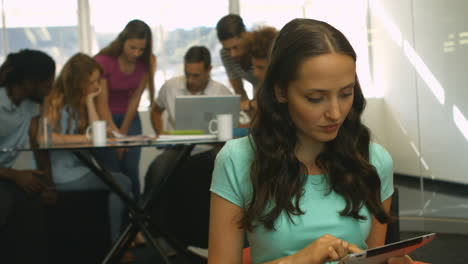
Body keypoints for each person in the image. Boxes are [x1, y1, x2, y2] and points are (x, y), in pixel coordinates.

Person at [208, 19, 413, 264]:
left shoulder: (373, 160)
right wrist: (300, 259)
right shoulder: (237, 159)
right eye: (316, 98)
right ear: (281, 91)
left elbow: (371, 256)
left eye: (346, 94)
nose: (335, 113)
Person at [41, 53, 132, 242]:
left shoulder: (78, 102)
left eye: (98, 81)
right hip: (64, 174)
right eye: (92, 82)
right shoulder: (54, 101)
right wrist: (83, 138)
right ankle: (113, 242)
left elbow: (95, 136)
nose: (97, 86)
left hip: (80, 170)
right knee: (122, 184)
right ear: (78, 81)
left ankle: (111, 239)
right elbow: (46, 139)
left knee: (123, 182)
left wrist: (91, 100)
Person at [0, 49, 55, 263]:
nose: (50, 88)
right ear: (29, 81)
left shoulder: (31, 104)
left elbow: (38, 145)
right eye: (47, 82)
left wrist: (49, 185)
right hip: (6, 175)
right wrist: (15, 176)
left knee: (35, 200)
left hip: (6, 174)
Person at [94, 19, 156, 200]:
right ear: (123, 42)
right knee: (114, 173)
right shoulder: (104, 61)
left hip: (130, 120)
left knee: (131, 171)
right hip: (105, 120)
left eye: (141, 49)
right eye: (132, 48)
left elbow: (135, 99)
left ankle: (137, 221)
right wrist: (116, 137)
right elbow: (101, 103)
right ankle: (118, 223)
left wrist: (124, 133)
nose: (136, 53)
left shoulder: (146, 63)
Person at [151, 45, 232, 134]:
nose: (190, 80)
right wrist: (160, 134)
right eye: (187, 74)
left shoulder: (222, 92)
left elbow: (233, 125)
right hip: (175, 145)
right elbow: (156, 111)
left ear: (209, 70)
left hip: (212, 145)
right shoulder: (170, 86)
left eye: (196, 75)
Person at [216, 14, 256, 103]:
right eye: (227, 49)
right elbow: (240, 93)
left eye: (236, 47)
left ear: (245, 35)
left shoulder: (260, 47)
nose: (232, 54)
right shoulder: (225, 54)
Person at [243, 26, 278, 114]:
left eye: (260, 67)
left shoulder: (291, 92)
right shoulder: (266, 90)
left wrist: (251, 105)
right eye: (254, 67)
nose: (255, 73)